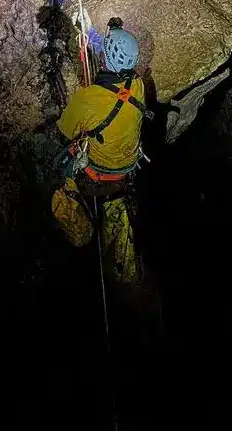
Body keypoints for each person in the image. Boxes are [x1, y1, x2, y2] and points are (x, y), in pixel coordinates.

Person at [51, 17, 154, 282]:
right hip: (125, 173)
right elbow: (110, 56)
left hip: (93, 176)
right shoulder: (139, 86)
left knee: (60, 170)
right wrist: (94, 32)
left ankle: (81, 235)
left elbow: (65, 131)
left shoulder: (88, 99)